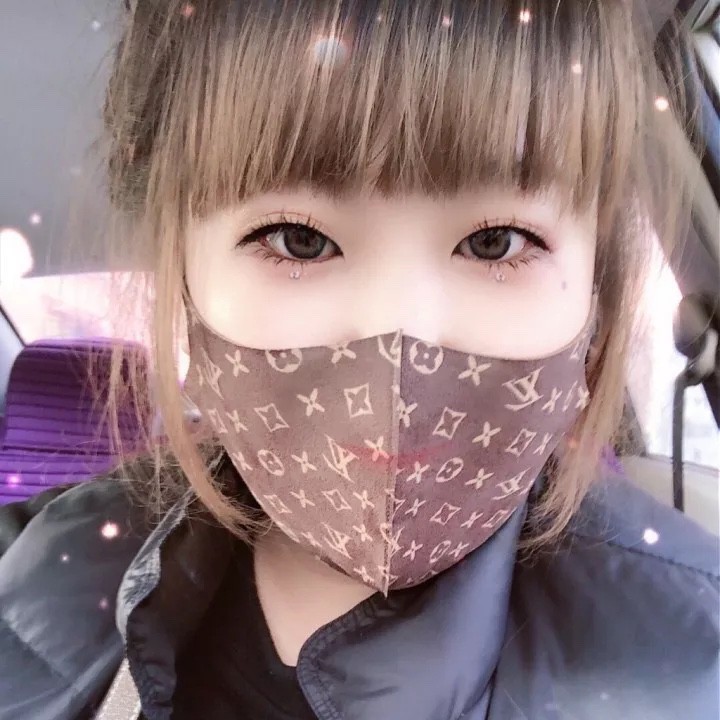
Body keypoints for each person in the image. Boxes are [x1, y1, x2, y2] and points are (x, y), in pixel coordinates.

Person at [1, 1, 718, 719]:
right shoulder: (32, 576)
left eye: (495, 242)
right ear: (184, 274)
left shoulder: (697, 657)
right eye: (298, 240)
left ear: (595, 284)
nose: (399, 339)